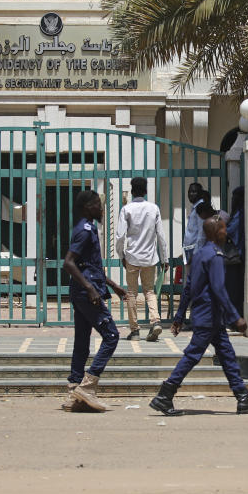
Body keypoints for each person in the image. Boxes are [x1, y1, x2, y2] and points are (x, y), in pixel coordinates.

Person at [149, 216, 248, 415]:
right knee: (192, 355)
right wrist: (235, 317)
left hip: (209, 317)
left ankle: (243, 397)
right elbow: (219, 289)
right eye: (222, 229)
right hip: (209, 316)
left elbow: (188, 288)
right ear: (214, 232)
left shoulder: (199, 254)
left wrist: (179, 317)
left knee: (227, 356)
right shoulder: (215, 256)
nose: (226, 232)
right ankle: (164, 395)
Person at [62, 190, 127, 413]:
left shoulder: (86, 228)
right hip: (87, 294)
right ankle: (87, 387)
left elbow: (88, 265)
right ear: (88, 207)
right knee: (111, 336)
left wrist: (113, 285)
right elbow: (69, 263)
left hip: (84, 291)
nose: (101, 209)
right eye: (98, 205)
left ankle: (74, 391)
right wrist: (91, 288)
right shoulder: (85, 230)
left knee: (82, 341)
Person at [115, 177, 169, 342]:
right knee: (149, 291)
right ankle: (156, 321)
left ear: (132, 191)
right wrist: (164, 258)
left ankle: (135, 330)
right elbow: (161, 235)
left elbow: (120, 236)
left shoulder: (127, 209)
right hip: (150, 257)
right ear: (145, 191)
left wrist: (121, 255)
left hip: (132, 256)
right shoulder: (153, 209)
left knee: (131, 293)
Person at [225, 187, 246, 316]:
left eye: (235, 197)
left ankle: (234, 318)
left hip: (235, 256)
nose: (232, 199)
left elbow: (229, 231)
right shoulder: (241, 212)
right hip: (238, 255)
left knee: (233, 289)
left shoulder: (239, 213)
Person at [182, 182, 205, 264]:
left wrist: (196, 253)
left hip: (195, 251)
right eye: (189, 192)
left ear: (200, 194)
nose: (191, 194)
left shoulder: (200, 207)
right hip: (190, 250)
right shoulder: (195, 207)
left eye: (194, 192)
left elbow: (202, 232)